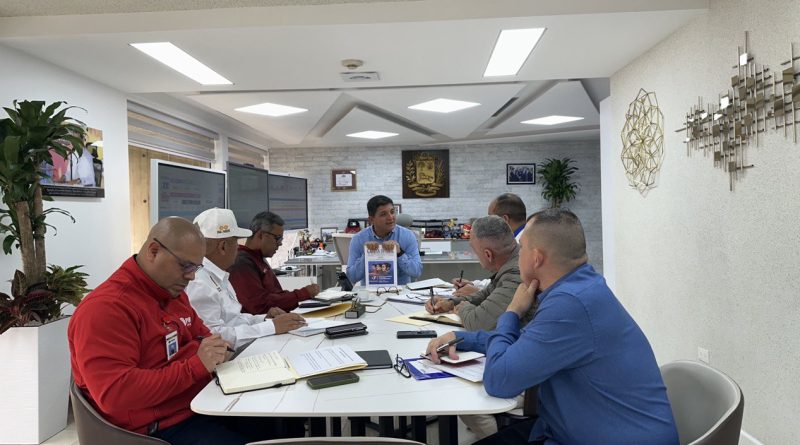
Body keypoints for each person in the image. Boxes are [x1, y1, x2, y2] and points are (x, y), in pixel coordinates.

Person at [426, 209, 678, 445]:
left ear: (536, 258)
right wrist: (461, 338)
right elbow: (527, 341)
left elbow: (499, 381)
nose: (517, 254)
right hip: (573, 429)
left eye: (521, 248)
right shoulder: (580, 287)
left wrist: (512, 312)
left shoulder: (570, 305)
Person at [68, 217, 264, 444]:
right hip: (156, 430)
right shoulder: (107, 309)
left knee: (284, 424)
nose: (192, 276)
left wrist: (204, 356)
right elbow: (115, 393)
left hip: (198, 403)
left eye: (197, 268)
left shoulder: (172, 292)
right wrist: (195, 365)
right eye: (186, 266)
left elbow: (207, 339)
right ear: (153, 251)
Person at [186, 208, 307, 349]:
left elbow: (234, 319)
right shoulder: (199, 283)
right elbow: (213, 335)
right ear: (223, 247)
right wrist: (271, 327)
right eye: (236, 242)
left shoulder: (219, 275)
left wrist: (264, 318)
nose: (238, 248)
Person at [425, 215, 528, 331]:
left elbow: (478, 323)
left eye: (475, 251)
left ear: (488, 255)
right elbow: (486, 294)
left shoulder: (516, 273)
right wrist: (450, 303)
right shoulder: (512, 264)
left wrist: (463, 308)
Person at [229, 211, 320, 313]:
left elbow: (275, 295)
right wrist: (303, 294)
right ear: (261, 235)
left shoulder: (259, 259)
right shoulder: (242, 263)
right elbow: (259, 305)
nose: (280, 244)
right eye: (278, 238)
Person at [452, 193, 528, 297]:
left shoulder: (525, 246)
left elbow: (513, 289)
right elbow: (502, 280)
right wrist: (475, 285)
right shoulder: (519, 240)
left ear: (504, 220)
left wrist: (478, 293)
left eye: (490, 217)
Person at [346, 195, 422, 285]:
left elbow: (417, 272)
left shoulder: (408, 235)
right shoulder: (358, 239)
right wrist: (366, 256)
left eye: (392, 212)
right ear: (371, 220)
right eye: (383, 214)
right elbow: (351, 277)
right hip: (370, 292)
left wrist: (400, 253)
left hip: (400, 290)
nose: (390, 217)